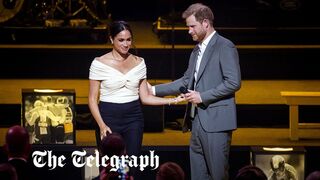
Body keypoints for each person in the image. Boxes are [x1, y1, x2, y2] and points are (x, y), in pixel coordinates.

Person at [151, 3, 241, 180]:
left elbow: (234, 82)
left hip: (216, 124)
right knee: (198, 176)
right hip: (196, 122)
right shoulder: (197, 49)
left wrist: (203, 96)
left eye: (192, 26)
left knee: (217, 175)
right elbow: (186, 81)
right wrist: (153, 89)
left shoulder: (224, 46)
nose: (189, 31)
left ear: (205, 23)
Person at [88, 20, 184, 162]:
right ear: (111, 39)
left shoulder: (139, 62)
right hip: (108, 117)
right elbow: (92, 99)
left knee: (132, 164)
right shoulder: (99, 63)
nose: (126, 44)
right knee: (110, 166)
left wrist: (173, 100)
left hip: (133, 118)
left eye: (128, 40)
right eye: (121, 40)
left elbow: (145, 97)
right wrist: (101, 125)